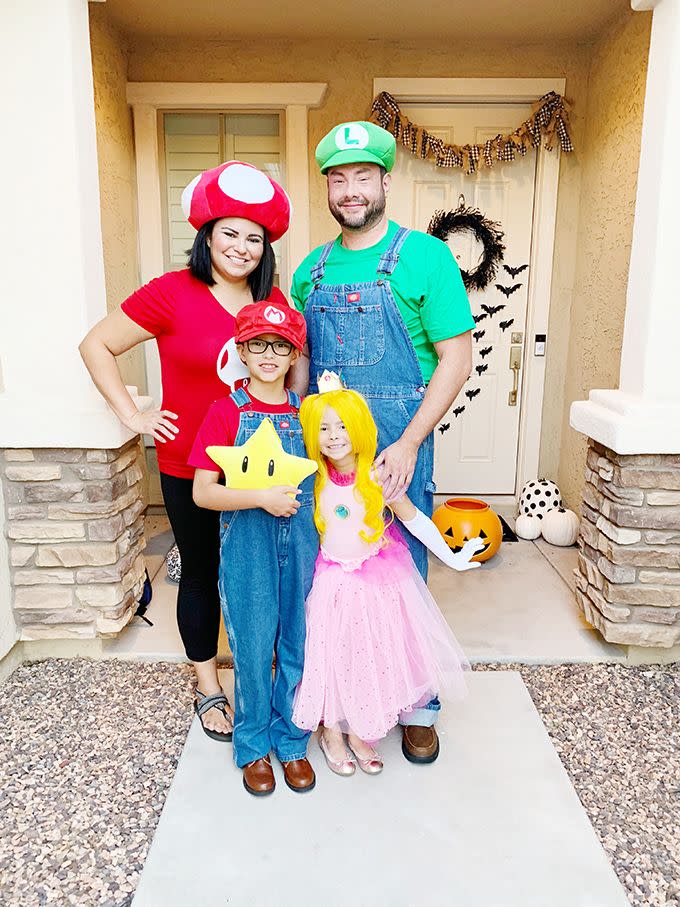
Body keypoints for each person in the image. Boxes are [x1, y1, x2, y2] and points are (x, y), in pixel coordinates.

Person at [79, 161, 291, 742]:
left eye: (255, 237)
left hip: (261, 464)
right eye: (230, 233)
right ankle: (207, 685)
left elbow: (291, 379)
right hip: (187, 462)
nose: (242, 247)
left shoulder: (274, 300)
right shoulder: (170, 292)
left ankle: (265, 675)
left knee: (260, 574)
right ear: (206, 235)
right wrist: (134, 416)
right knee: (200, 573)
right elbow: (96, 344)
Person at [290, 120, 475, 764]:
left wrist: (410, 444)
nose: (350, 189)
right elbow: (301, 364)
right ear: (329, 188)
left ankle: (416, 704)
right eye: (338, 179)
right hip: (327, 448)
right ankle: (341, 693)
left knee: (402, 573)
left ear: (384, 181)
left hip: (401, 438)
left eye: (362, 176)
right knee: (333, 573)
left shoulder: (425, 256)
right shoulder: (310, 270)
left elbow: (456, 358)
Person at [292, 384, 481, 775]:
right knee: (331, 655)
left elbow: (413, 519)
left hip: (375, 581)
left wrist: (451, 556)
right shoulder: (312, 478)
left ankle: (361, 730)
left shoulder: (376, 475)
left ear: (359, 427)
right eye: (324, 429)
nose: (333, 437)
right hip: (331, 582)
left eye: (342, 427)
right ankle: (331, 731)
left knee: (369, 655)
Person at [190, 300, 318, 797]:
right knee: (252, 643)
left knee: (297, 642)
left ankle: (291, 741)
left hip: (303, 542)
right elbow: (203, 492)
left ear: (293, 355)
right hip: (248, 547)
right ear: (241, 351)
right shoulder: (226, 413)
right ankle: (253, 745)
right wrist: (259, 498)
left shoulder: (306, 415)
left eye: (281, 346)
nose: (269, 354)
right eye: (258, 344)